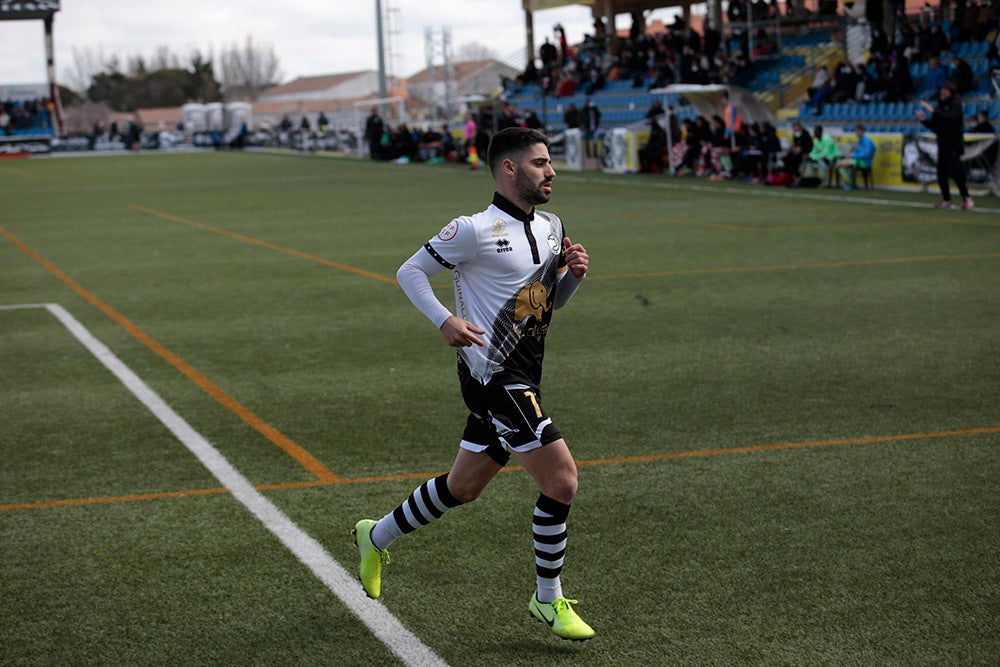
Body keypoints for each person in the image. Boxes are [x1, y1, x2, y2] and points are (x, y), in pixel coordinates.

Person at [352, 127, 595, 642]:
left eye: (549, 163)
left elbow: (543, 306)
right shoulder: (473, 229)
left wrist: (570, 275)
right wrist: (444, 319)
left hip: (524, 372)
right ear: (509, 169)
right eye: (539, 163)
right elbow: (409, 272)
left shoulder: (553, 227)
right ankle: (546, 600)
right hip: (495, 378)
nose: (550, 171)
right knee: (562, 481)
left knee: (463, 488)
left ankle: (375, 536)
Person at [917, 81, 973, 209]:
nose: (943, 92)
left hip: (953, 143)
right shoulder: (940, 105)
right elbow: (937, 126)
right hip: (943, 143)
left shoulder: (955, 103)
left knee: (956, 171)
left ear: (950, 92)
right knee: (941, 173)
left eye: (945, 90)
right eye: (942, 90)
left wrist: (932, 111)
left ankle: (966, 197)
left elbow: (950, 119)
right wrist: (924, 121)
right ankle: (947, 199)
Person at [836, 124, 876, 190]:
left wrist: (853, 155)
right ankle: (851, 183)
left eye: (858, 131)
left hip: (865, 162)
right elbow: (857, 152)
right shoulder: (859, 141)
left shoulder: (867, 141)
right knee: (840, 165)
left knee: (843, 163)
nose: (856, 133)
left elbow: (867, 154)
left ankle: (851, 184)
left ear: (862, 131)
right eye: (856, 131)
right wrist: (851, 154)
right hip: (857, 161)